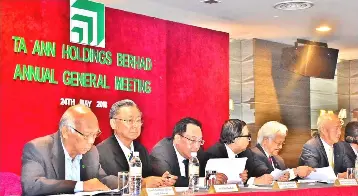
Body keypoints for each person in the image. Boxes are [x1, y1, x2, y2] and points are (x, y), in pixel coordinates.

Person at [21, 105, 118, 196]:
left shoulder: (91, 152)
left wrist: (128, 180)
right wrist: (81, 186)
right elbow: (31, 185)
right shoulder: (38, 149)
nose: (91, 141)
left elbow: (101, 179)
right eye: (86, 135)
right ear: (66, 132)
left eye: (95, 134)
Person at [97, 99, 177, 188]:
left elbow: (148, 178)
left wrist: (161, 181)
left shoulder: (141, 149)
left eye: (138, 120)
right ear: (113, 123)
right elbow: (108, 182)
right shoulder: (101, 152)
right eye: (129, 120)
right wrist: (142, 183)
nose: (135, 125)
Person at [150, 117, 228, 187]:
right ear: (177, 138)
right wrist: (203, 181)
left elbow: (204, 171)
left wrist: (213, 177)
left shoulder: (198, 151)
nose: (197, 146)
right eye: (193, 140)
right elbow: (169, 180)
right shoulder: (161, 153)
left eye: (200, 141)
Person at [249, 121, 314, 185]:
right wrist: (295, 172)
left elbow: (284, 175)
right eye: (278, 143)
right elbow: (267, 175)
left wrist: (292, 175)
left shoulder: (278, 159)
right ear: (266, 140)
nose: (281, 147)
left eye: (282, 143)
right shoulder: (253, 154)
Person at [299, 113, 352, 178]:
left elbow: (350, 169)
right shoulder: (310, 147)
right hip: (318, 187)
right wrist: (339, 175)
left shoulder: (341, 146)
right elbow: (313, 173)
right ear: (323, 130)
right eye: (336, 128)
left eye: (340, 128)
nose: (340, 132)